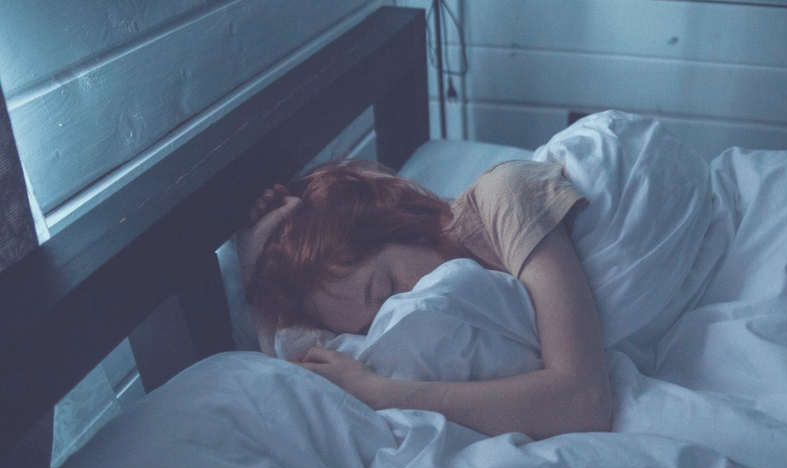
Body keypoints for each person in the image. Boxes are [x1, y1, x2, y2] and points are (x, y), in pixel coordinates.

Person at [236, 159, 612, 440]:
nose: (403, 314)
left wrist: (381, 393)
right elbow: (295, 374)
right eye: (370, 327)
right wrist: (254, 269)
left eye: (387, 290)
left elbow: (585, 400)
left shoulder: (505, 196)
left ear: (398, 223)